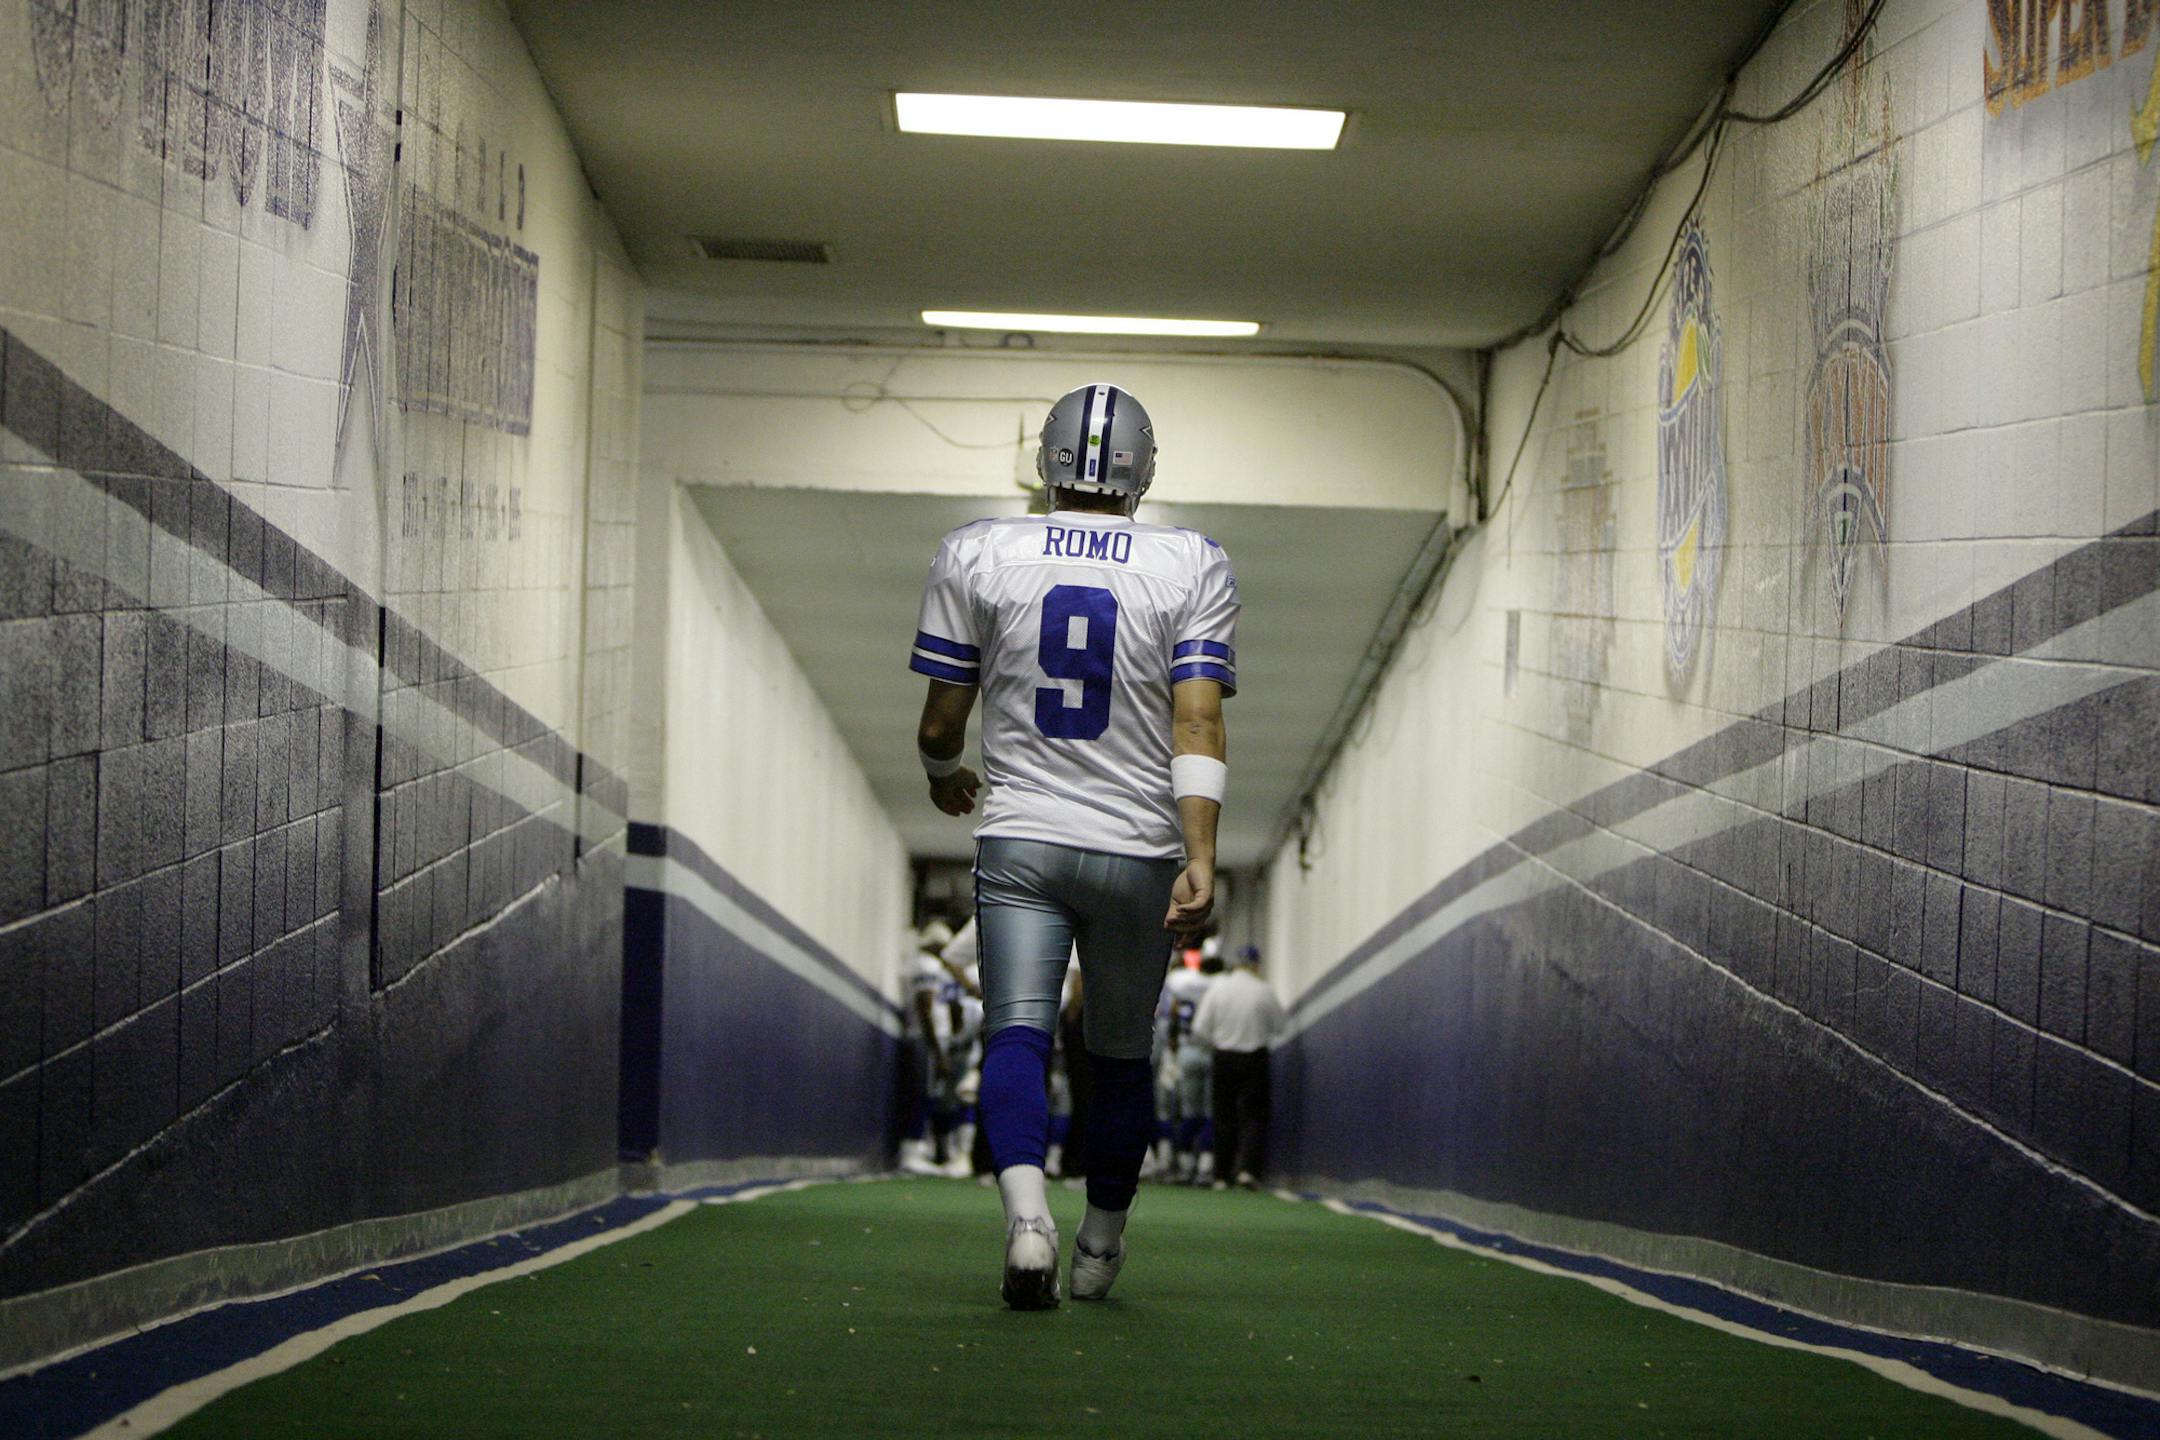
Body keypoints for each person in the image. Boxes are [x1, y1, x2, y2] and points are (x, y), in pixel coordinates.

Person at [909, 382, 1239, 1309]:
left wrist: (941, 774)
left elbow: (942, 720)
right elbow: (1199, 724)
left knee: (1016, 1029)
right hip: (1136, 845)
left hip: (1020, 837)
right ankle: (1099, 1241)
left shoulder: (978, 550)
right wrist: (1200, 853)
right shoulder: (1191, 563)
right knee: (1120, 1052)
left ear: (1043, 459)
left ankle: (1024, 1223)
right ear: (1145, 471)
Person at [1190, 944, 1285, 1190]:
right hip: (1254, 1057)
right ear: (1256, 965)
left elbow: (1200, 1028)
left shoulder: (1218, 989)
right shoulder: (1264, 990)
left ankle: (1221, 1175)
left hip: (1223, 1057)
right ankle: (1247, 1171)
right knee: (1253, 1115)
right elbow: (1280, 1026)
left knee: (1224, 1115)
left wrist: (1217, 1041)